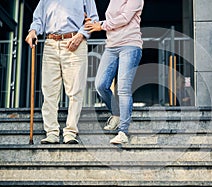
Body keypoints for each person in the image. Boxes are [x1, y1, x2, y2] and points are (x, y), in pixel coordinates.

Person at [25, 0, 99, 144]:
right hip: (51, 43)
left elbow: (93, 19)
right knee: (49, 91)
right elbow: (38, 19)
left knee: (75, 91)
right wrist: (33, 31)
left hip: (75, 42)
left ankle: (70, 132)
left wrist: (81, 35)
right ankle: (51, 132)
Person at [84, 0, 144, 144]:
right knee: (100, 85)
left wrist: (101, 25)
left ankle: (123, 131)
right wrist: (93, 22)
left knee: (123, 88)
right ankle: (116, 114)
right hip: (111, 47)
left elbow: (124, 18)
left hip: (130, 45)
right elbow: (110, 20)